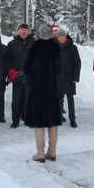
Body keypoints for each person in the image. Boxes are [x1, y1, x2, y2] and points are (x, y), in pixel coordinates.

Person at [23, 24, 62, 162]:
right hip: (52, 88)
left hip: (37, 89)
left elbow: (27, 69)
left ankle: (40, 153)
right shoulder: (56, 47)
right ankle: (52, 152)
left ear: (39, 34)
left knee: (38, 121)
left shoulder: (34, 47)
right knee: (53, 121)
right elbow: (59, 68)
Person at [4, 23, 35, 129]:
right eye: (22, 30)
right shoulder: (12, 43)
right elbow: (7, 59)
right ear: (18, 31)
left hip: (30, 77)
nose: (24, 32)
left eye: (25, 30)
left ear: (28, 31)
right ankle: (15, 121)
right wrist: (10, 70)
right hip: (17, 77)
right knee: (17, 100)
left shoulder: (34, 43)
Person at [55, 27, 81, 128]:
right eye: (59, 36)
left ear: (65, 37)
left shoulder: (73, 47)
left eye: (63, 36)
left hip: (70, 78)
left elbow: (77, 63)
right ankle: (60, 117)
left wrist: (75, 77)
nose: (61, 38)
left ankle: (72, 119)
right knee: (59, 99)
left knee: (70, 99)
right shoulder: (54, 47)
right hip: (58, 78)